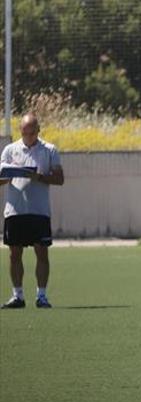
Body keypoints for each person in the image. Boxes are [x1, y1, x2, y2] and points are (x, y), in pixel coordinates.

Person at [0, 114, 64, 309]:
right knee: (14, 254)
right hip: (15, 210)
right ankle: (17, 295)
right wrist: (9, 175)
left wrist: (40, 177)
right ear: (21, 131)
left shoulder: (49, 150)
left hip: (39, 210)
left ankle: (41, 296)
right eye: (24, 132)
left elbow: (59, 178)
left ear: (38, 130)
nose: (28, 136)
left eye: (32, 132)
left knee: (41, 252)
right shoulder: (10, 150)